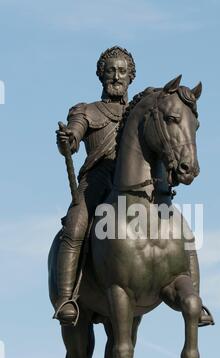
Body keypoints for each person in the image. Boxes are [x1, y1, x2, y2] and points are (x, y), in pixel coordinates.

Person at [54, 46, 136, 326]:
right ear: (101, 75)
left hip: (136, 183)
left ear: (131, 77)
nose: (116, 76)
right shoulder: (86, 110)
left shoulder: (140, 113)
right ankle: (66, 298)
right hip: (97, 180)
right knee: (75, 224)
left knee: (176, 225)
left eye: (122, 71)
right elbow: (74, 137)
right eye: (111, 70)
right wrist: (68, 140)